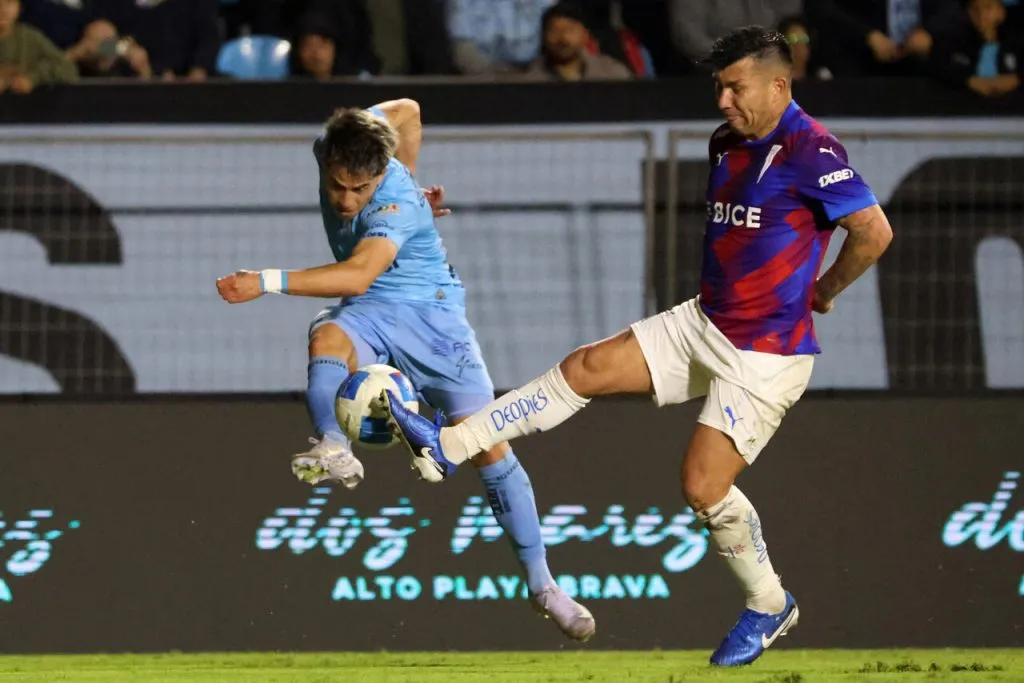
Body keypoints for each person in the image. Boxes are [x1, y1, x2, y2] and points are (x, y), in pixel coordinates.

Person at [383, 27, 894, 667]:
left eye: (736, 88)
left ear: (778, 85)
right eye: (719, 88)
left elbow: (873, 233)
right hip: (707, 322)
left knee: (702, 487)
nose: (724, 101)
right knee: (586, 366)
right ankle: (448, 446)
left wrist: (826, 289)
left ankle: (770, 604)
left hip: (766, 352)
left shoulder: (812, 149)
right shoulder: (726, 143)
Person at [215, 99, 595, 643]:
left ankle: (543, 586)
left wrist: (264, 281)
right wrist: (414, 173)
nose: (348, 200)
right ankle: (331, 445)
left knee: (486, 443)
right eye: (339, 186)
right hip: (373, 315)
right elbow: (410, 112)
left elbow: (356, 276)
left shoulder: (393, 203)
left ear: (378, 179)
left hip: (434, 318)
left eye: (360, 190)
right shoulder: (338, 141)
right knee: (326, 335)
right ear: (328, 161)